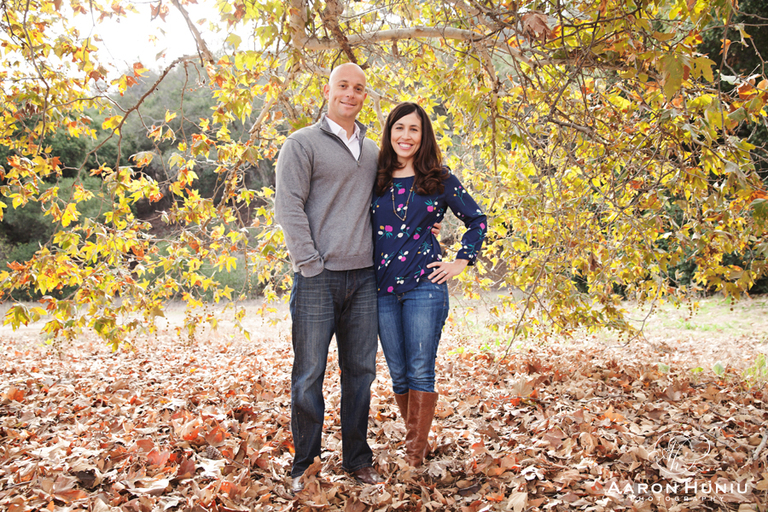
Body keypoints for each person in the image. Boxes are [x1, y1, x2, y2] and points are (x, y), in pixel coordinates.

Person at [274, 62, 385, 493]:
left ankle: (357, 459)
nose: (351, 94)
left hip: (365, 280)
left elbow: (393, 202)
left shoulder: (375, 151)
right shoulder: (301, 145)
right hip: (317, 278)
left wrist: (427, 223)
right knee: (308, 375)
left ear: (363, 96)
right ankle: (305, 464)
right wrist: (310, 265)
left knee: (360, 373)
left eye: (359, 88)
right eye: (343, 85)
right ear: (327, 90)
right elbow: (289, 207)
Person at [371, 102, 487, 467]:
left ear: (424, 136)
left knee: (421, 368)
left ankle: (414, 458)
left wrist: (460, 261)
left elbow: (477, 219)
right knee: (399, 371)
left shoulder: (439, 178)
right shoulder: (375, 177)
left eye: (414, 130)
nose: (406, 136)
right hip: (382, 289)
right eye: (399, 128)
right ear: (390, 133)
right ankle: (416, 444)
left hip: (425, 284)